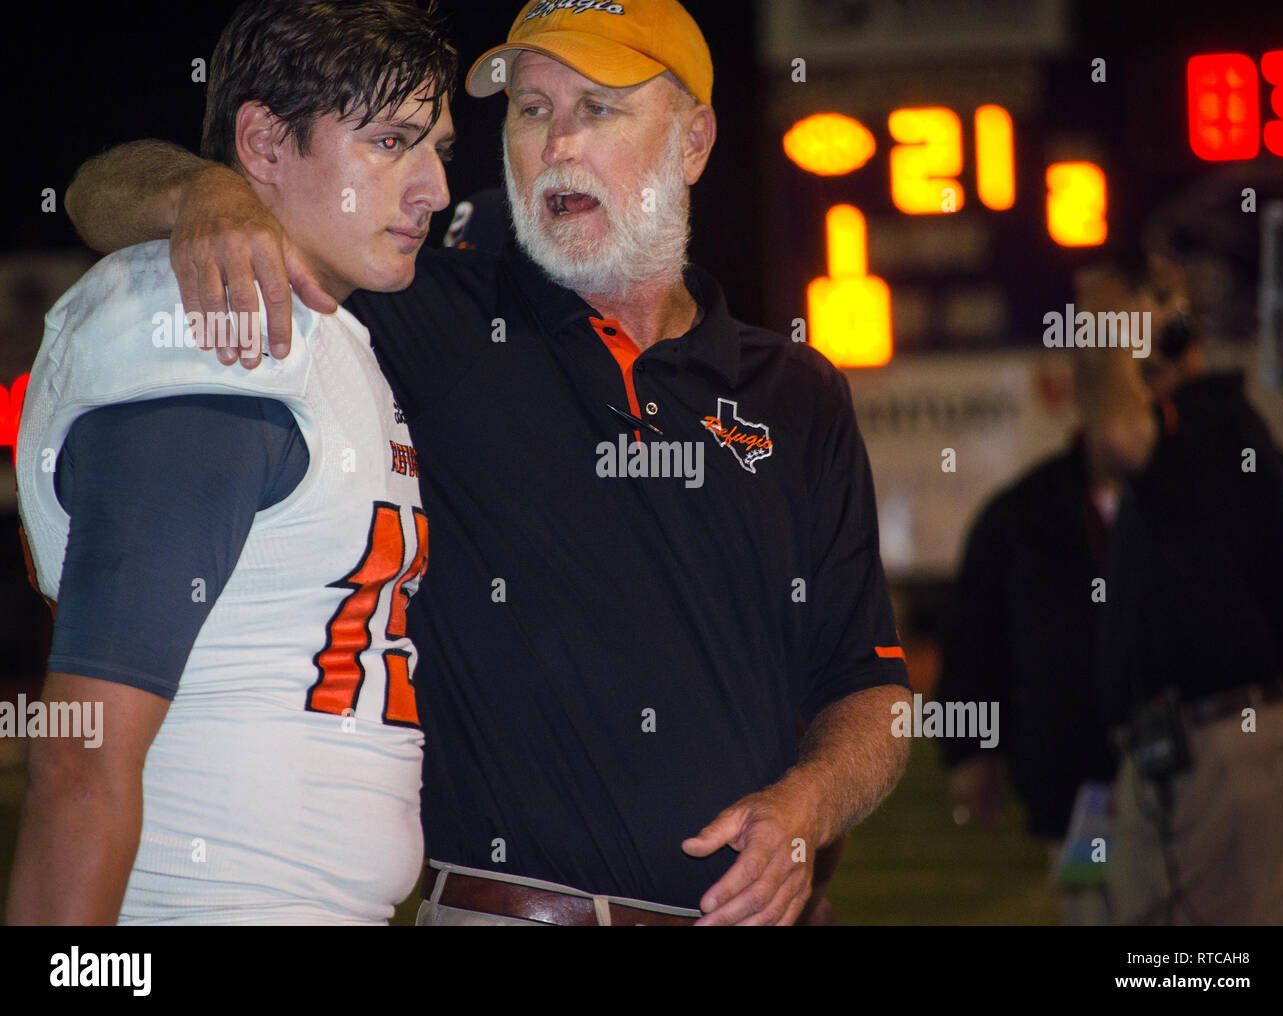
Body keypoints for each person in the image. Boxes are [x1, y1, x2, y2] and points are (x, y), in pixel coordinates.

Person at [64, 0, 911, 926]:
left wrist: (807, 809)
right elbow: (96, 193)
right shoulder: (420, 309)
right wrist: (205, 196)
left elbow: (869, 689)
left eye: (598, 108)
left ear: (694, 141)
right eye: (532, 110)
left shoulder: (797, 395)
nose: (557, 144)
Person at [8, 0, 457, 924]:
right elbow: (81, 755)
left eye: (438, 149)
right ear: (263, 143)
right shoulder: (215, 333)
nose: (434, 189)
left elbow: (99, 185)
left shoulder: (324, 326)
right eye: (390, 142)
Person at [938, 260, 1158, 925]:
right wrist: (970, 751)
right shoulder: (1023, 513)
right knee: (1093, 910)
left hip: (1192, 781)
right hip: (1081, 791)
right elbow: (976, 639)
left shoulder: (1202, 498)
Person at [1095, 254, 1283, 924]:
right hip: (1184, 749)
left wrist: (1123, 329)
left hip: (1228, 743)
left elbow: (1119, 434)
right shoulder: (1206, 435)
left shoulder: (1211, 418)